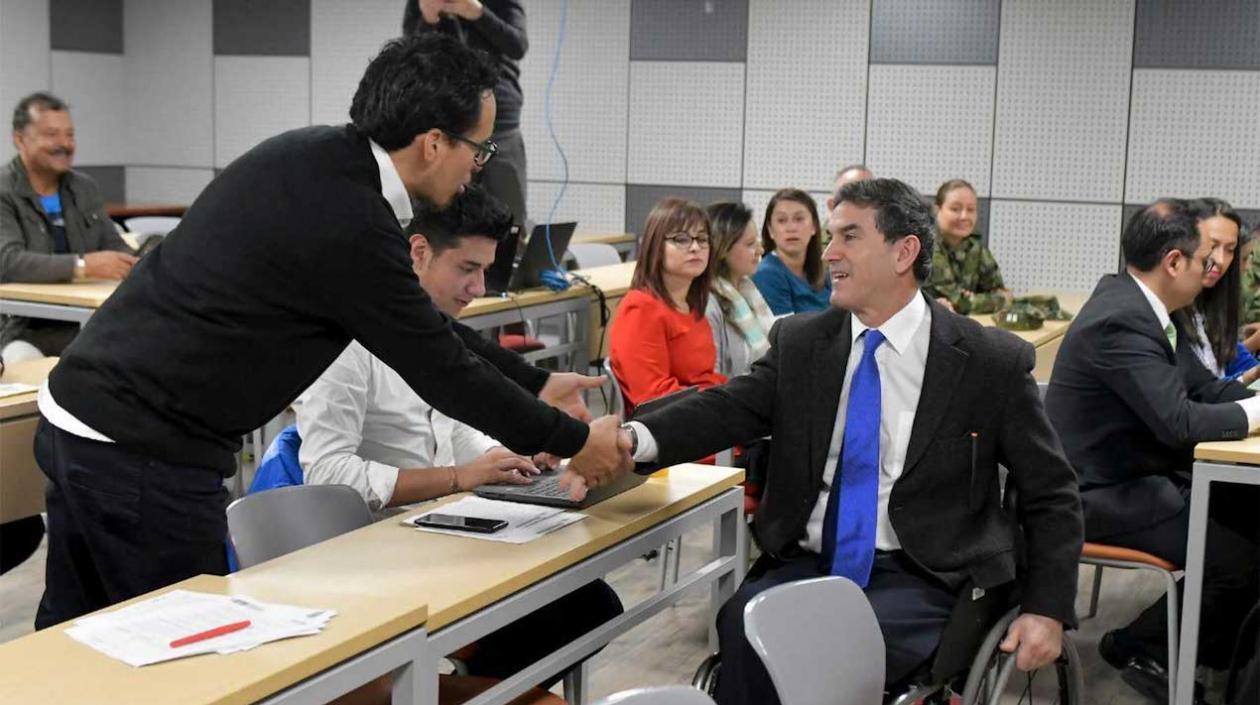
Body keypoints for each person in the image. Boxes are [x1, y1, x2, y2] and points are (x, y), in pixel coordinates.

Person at [31, 33, 628, 630]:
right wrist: (575, 440)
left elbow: (418, 326)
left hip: (84, 416)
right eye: (480, 148)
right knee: (184, 652)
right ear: (433, 144)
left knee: (73, 640)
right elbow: (440, 366)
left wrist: (533, 383)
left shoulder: (318, 160)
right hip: (140, 447)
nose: (479, 167)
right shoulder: (349, 217)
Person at [576, 178, 1083, 702]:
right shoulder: (803, 343)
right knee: (748, 630)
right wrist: (632, 439)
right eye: (831, 235)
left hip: (923, 577)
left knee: (814, 652)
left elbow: (1051, 491)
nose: (830, 252)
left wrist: (1046, 608)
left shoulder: (987, 363)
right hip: (805, 563)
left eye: (849, 236)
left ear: (904, 252)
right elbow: (725, 407)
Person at [294, 184, 623, 690]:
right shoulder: (344, 345)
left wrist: (501, 457)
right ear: (419, 252)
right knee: (572, 607)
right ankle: (443, 684)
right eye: (467, 269)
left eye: (486, 271)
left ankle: (462, 683)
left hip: (442, 532)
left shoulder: (439, 333)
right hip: (376, 554)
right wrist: (456, 477)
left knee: (591, 604)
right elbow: (326, 472)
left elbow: (452, 427)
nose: (478, 287)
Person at [1045, 199, 1260, 702]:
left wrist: (1249, 402)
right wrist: (1256, 413)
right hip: (1096, 494)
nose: (1212, 268)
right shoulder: (1121, 320)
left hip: (1135, 475)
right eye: (1204, 258)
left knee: (1251, 518)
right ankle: (1144, 647)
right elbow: (1179, 422)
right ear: (1173, 262)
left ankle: (1213, 656)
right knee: (1241, 560)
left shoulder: (1144, 307)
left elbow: (1203, 388)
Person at [0, 92, 137, 363]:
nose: (64, 144)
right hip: (21, 328)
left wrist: (138, 263)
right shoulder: (4, 190)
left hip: (87, 325)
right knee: (22, 363)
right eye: (51, 134)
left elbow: (115, 247)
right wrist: (83, 266)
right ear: (20, 139)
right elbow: (7, 262)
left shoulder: (84, 187)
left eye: (70, 135)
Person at [404, 0, 528, 225]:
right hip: (444, 119)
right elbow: (410, 56)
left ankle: (510, 248)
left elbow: (517, 45)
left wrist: (477, 12)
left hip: (500, 121)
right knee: (439, 213)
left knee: (508, 213)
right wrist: (428, 19)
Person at [608, 197, 725, 414]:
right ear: (655, 246)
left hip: (702, 415)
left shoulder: (693, 305)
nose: (695, 247)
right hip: (669, 425)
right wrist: (720, 405)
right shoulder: (641, 309)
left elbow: (705, 378)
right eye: (681, 239)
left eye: (702, 239)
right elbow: (653, 396)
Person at [1172, 198, 1259, 383]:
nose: (1219, 260)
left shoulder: (1211, 306)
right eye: (1212, 246)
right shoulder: (1168, 309)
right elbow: (1196, 391)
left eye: (1230, 250)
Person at [704, 201, 774, 378]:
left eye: (758, 241)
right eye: (750, 244)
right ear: (722, 248)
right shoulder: (708, 303)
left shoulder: (748, 290)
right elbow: (711, 378)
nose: (760, 250)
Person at [923, 179, 1010, 314]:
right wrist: (983, 300)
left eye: (971, 209)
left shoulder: (975, 247)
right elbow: (958, 302)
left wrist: (974, 300)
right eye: (955, 209)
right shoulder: (926, 247)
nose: (964, 216)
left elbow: (1001, 293)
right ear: (937, 210)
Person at [752, 188, 831, 315]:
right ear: (770, 230)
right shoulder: (767, 273)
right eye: (782, 220)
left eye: (799, 219)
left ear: (814, 227)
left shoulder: (822, 270)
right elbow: (785, 327)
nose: (791, 228)